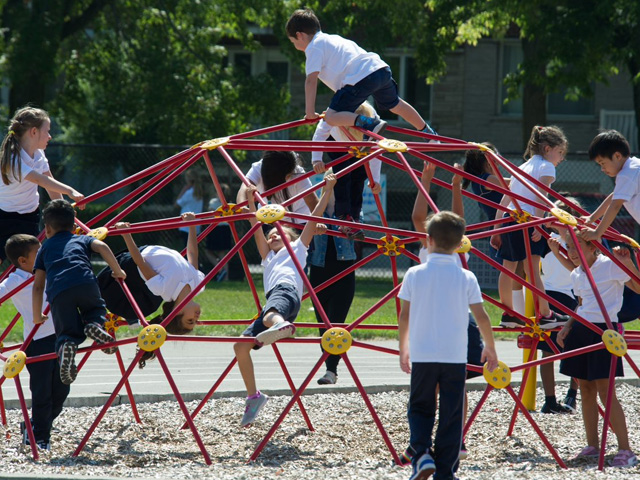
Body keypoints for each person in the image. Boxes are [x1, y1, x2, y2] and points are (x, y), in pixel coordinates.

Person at [398, 211, 498, 480]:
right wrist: (490, 347)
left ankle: (421, 455)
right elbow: (481, 317)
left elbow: (404, 315)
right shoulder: (466, 277)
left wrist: (403, 347)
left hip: (423, 354)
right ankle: (445, 472)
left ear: (428, 240)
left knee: (420, 407)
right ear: (459, 244)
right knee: (452, 414)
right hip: (455, 358)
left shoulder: (414, 273)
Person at [233, 173, 336, 428]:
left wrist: (328, 188)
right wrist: (249, 198)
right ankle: (254, 397)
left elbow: (313, 219)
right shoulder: (267, 257)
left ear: (291, 237)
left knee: (270, 315)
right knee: (240, 346)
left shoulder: (299, 247)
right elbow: (254, 223)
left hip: (286, 292)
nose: (273, 236)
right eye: (271, 236)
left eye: (279, 234)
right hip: (274, 301)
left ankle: (280, 325)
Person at [404, 162, 489, 462]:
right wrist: (425, 181)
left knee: (453, 388)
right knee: (445, 387)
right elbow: (418, 217)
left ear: (429, 237)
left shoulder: (452, 248)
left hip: (453, 322)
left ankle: (452, 439)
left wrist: (454, 187)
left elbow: (459, 222)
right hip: (445, 326)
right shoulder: (429, 253)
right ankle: (433, 443)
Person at [555, 229, 639, 468]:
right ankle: (592, 444)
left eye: (577, 246)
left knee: (606, 389)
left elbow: (638, 287)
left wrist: (627, 263)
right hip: (581, 330)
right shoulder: (577, 274)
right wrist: (567, 326)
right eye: (569, 246)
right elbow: (581, 305)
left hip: (604, 331)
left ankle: (625, 448)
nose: (571, 252)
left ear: (594, 246)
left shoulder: (608, 265)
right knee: (586, 389)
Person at [286, 8, 437, 137]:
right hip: (380, 70)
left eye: (293, 42)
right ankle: (428, 133)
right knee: (395, 104)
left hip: (360, 78)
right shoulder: (332, 39)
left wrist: (310, 113)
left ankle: (371, 124)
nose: (295, 46)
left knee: (331, 117)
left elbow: (311, 81)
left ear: (300, 35)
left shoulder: (313, 47)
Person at [32, 200, 126, 385]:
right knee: (95, 309)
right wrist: (117, 270)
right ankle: (94, 326)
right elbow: (102, 247)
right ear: (75, 226)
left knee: (66, 329)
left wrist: (37, 315)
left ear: (47, 229)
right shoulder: (81, 239)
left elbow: (38, 286)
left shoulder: (44, 250)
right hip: (85, 283)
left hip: (59, 292)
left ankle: (67, 344)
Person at [491, 125, 570, 329]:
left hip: (511, 218)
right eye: (560, 152)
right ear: (547, 149)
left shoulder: (523, 166)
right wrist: (538, 223)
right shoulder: (546, 167)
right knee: (532, 269)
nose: (561, 158)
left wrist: (497, 225)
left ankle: (508, 313)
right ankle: (545, 314)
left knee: (508, 268)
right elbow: (541, 197)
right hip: (527, 220)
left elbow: (507, 196)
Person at [1, 234, 69, 450]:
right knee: (42, 393)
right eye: (38, 253)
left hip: (60, 336)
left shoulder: (47, 271)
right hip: (37, 341)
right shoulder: (15, 280)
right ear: (22, 261)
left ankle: (32, 426)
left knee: (61, 389)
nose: (44, 255)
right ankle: (38, 437)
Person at [113, 213, 205, 367]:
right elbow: (193, 255)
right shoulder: (199, 286)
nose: (196, 317)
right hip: (164, 250)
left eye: (190, 320)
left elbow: (140, 262)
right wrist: (191, 225)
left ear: (177, 314)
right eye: (195, 321)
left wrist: (126, 234)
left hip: (141, 252)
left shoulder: (163, 290)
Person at [0, 106, 84, 262]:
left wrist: (63, 209)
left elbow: (49, 183)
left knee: (32, 261)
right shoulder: (13, 158)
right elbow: (40, 180)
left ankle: (29, 286)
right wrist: (70, 191)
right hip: (5, 217)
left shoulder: (39, 154)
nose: (50, 136)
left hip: (30, 216)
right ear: (34, 132)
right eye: (47, 131)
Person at [462, 143, 526, 316]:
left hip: (508, 226)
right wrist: (532, 173)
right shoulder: (485, 179)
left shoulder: (483, 179)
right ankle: (510, 312)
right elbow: (513, 184)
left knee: (520, 273)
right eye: (496, 157)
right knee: (512, 271)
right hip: (501, 229)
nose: (499, 162)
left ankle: (520, 315)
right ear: (487, 160)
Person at [308, 169, 357, 385]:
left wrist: (350, 228)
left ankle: (331, 370)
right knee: (323, 325)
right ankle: (330, 368)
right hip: (319, 271)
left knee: (336, 323)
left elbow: (360, 231)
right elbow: (308, 226)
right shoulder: (317, 209)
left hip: (344, 271)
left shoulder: (350, 211)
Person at [311, 101, 383, 240]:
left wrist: (375, 180)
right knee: (343, 172)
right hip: (335, 140)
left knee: (360, 174)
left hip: (360, 144)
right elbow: (319, 134)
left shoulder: (374, 122)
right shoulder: (333, 115)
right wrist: (316, 159)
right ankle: (343, 217)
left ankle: (355, 217)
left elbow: (376, 152)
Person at [539, 199, 581, 414]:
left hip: (570, 295)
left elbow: (577, 267)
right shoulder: (548, 239)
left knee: (575, 349)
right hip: (550, 295)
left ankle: (571, 395)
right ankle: (550, 399)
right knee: (547, 349)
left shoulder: (574, 239)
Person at [581, 130, 640, 242]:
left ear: (617, 156)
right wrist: (592, 217)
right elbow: (614, 197)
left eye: (603, 163)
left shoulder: (626, 174)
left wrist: (597, 233)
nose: (602, 169)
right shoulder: (634, 166)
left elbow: (615, 205)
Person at [236, 151, 319, 224]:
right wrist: (242, 206)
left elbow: (312, 200)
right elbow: (245, 188)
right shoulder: (259, 167)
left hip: (299, 218)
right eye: (288, 176)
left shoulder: (296, 172)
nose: (289, 176)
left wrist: (317, 222)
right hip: (268, 217)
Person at [205, 182, 233, 281]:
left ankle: (220, 269)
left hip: (216, 227)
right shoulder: (229, 203)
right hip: (226, 228)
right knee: (223, 254)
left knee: (208, 251)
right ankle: (226, 277)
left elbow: (210, 215)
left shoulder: (213, 202)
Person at [176, 169, 204, 245]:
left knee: (186, 250)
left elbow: (177, 204)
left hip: (186, 225)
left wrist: (183, 190)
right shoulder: (199, 193)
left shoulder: (188, 193)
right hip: (196, 226)